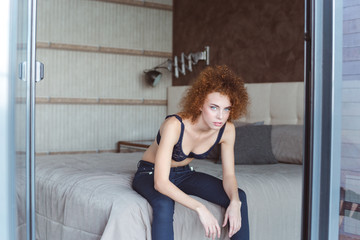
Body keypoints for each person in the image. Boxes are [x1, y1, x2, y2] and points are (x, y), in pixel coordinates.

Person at [132, 65, 249, 240]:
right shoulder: (175, 125)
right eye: (214, 107)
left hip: (184, 174)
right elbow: (161, 183)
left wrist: (235, 202)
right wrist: (200, 208)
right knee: (164, 203)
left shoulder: (227, 130)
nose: (220, 116)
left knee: (239, 195)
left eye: (227, 109)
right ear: (200, 104)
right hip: (150, 173)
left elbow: (229, 176)